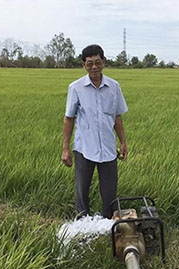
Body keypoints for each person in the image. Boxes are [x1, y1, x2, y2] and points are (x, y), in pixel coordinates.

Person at [61, 44, 128, 219]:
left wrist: (122, 142)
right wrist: (65, 148)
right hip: (84, 148)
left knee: (110, 194)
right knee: (82, 192)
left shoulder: (114, 87)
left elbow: (117, 116)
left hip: (107, 147)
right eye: (89, 63)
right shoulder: (76, 88)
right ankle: (83, 226)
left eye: (97, 62)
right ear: (83, 65)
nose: (94, 67)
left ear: (104, 62)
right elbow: (69, 118)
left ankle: (107, 227)